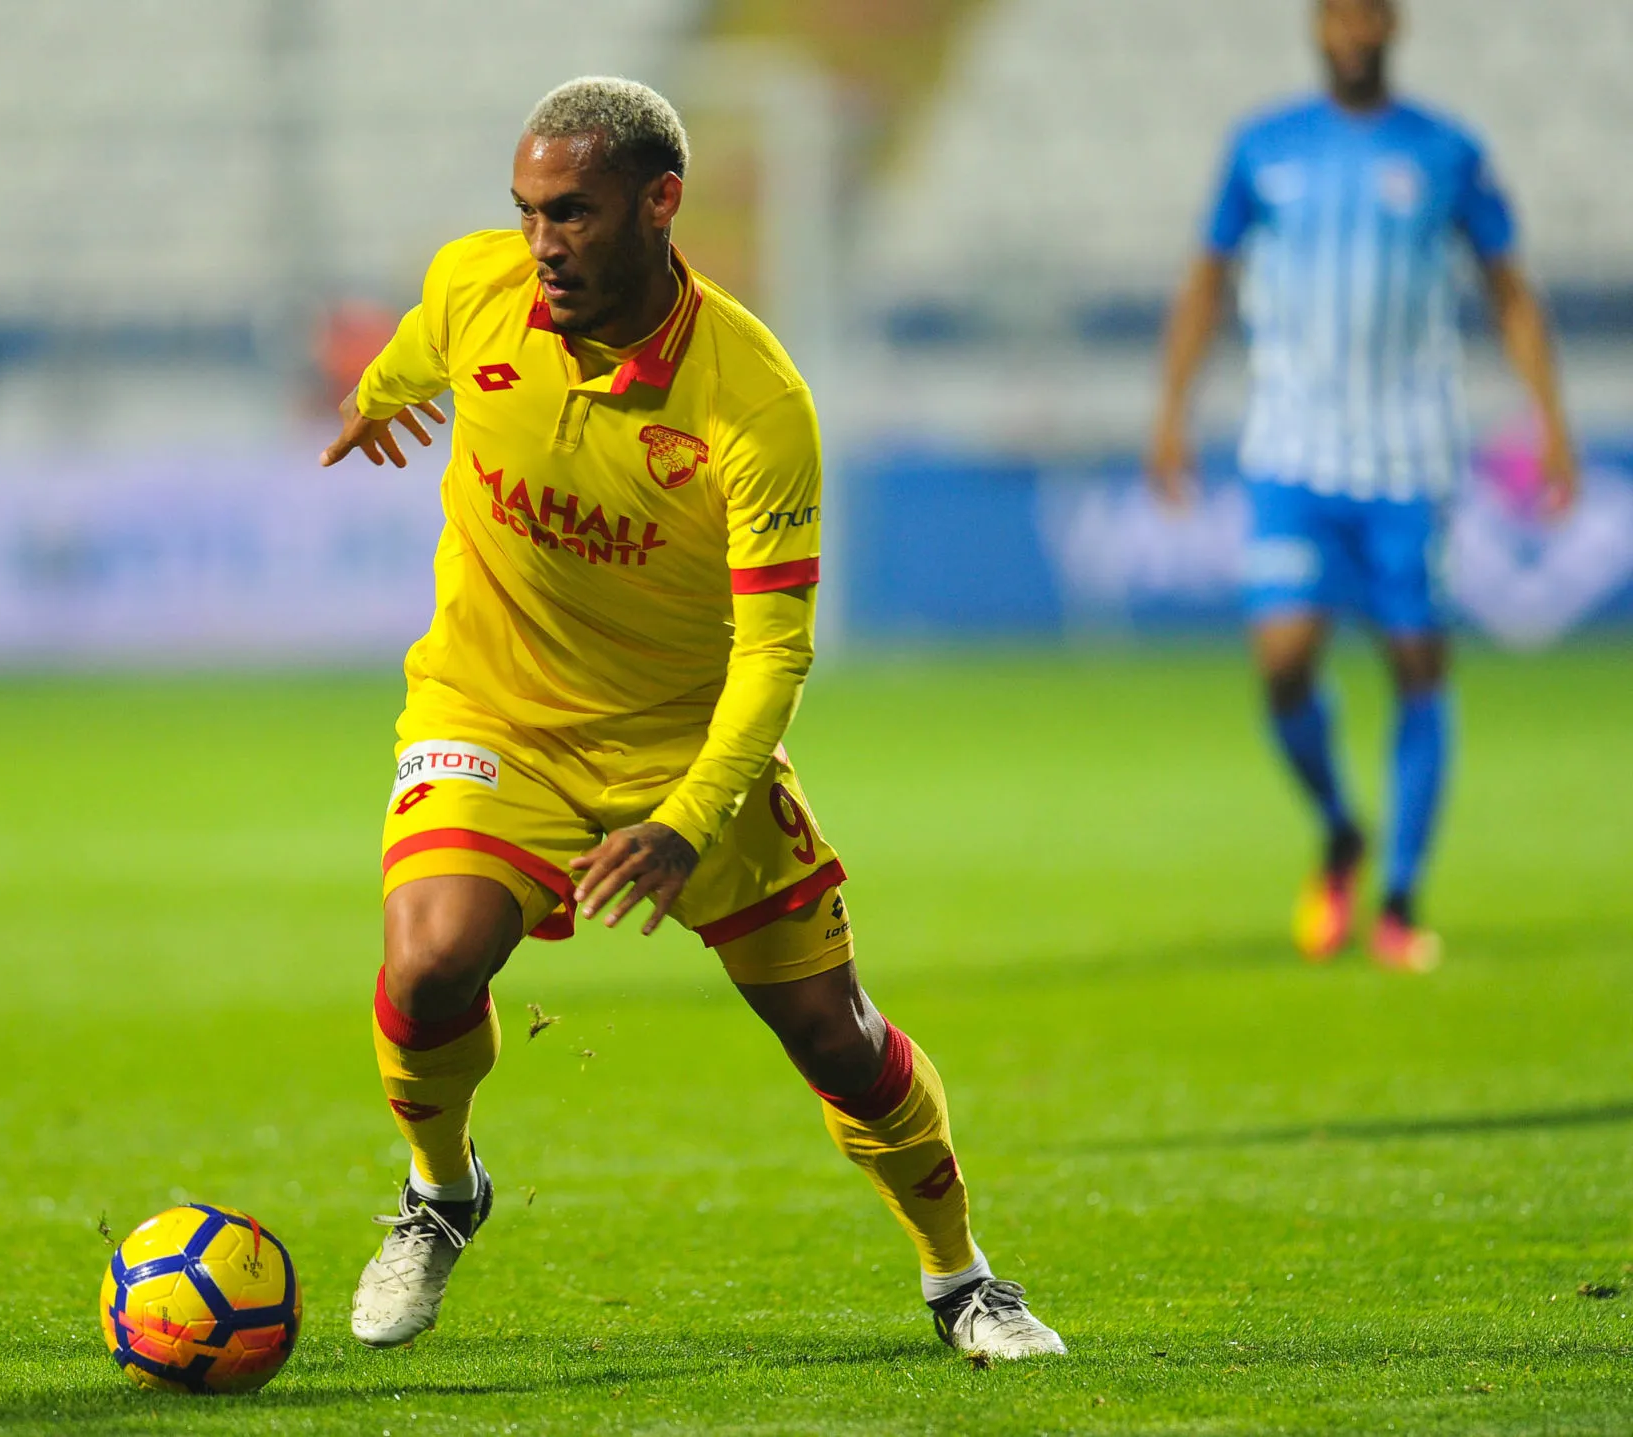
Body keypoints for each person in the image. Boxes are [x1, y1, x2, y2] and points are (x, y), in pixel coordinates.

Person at [319, 76, 1064, 1362]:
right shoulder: (475, 287)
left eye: (574, 213)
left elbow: (777, 649)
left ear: (661, 204)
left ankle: (961, 1281)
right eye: (528, 212)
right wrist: (377, 398)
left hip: (688, 743)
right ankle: (441, 1192)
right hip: (492, 714)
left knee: (831, 1034)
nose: (543, 242)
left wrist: (684, 816)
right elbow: (413, 347)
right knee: (430, 959)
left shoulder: (754, 403)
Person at [1148, 0, 1577, 972]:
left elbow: (1506, 288)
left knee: (1416, 664)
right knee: (1281, 660)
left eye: (1365, 16)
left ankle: (1397, 898)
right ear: (1315, 27)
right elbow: (1204, 281)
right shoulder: (1261, 148)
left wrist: (1549, 420)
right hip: (1289, 452)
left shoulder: (1444, 152)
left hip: (1406, 457)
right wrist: (1169, 414)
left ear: (1392, 26)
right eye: (1335, 16)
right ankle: (1342, 828)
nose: (1350, 32)